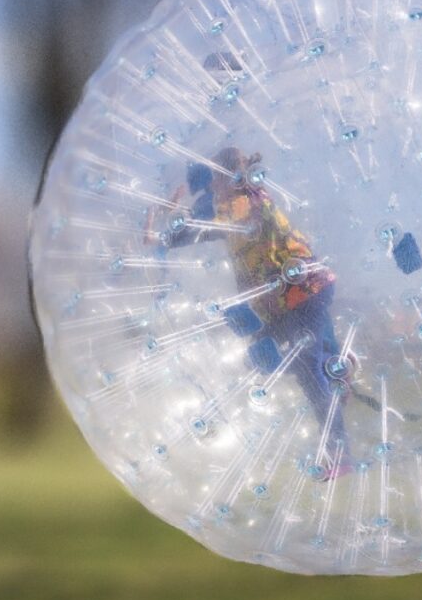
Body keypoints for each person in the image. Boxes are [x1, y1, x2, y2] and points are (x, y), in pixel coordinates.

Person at [147, 146, 351, 478]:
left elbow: (210, 229)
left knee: (307, 369)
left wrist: (168, 233)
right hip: (289, 298)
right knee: (268, 358)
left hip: (302, 291)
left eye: (215, 180)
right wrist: (163, 233)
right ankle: (336, 374)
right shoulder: (238, 202)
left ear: (230, 178)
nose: (212, 187)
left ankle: (340, 455)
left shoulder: (243, 203)